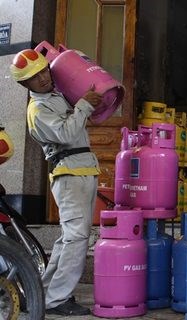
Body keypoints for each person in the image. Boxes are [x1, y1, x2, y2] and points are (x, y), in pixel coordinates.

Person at [10, 49, 103, 316]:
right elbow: (66, 133)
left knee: (67, 239)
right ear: (23, 84)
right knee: (76, 238)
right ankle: (58, 299)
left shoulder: (54, 98)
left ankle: (43, 291)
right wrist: (84, 105)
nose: (42, 78)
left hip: (80, 170)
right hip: (69, 174)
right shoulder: (38, 110)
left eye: (43, 71)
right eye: (33, 76)